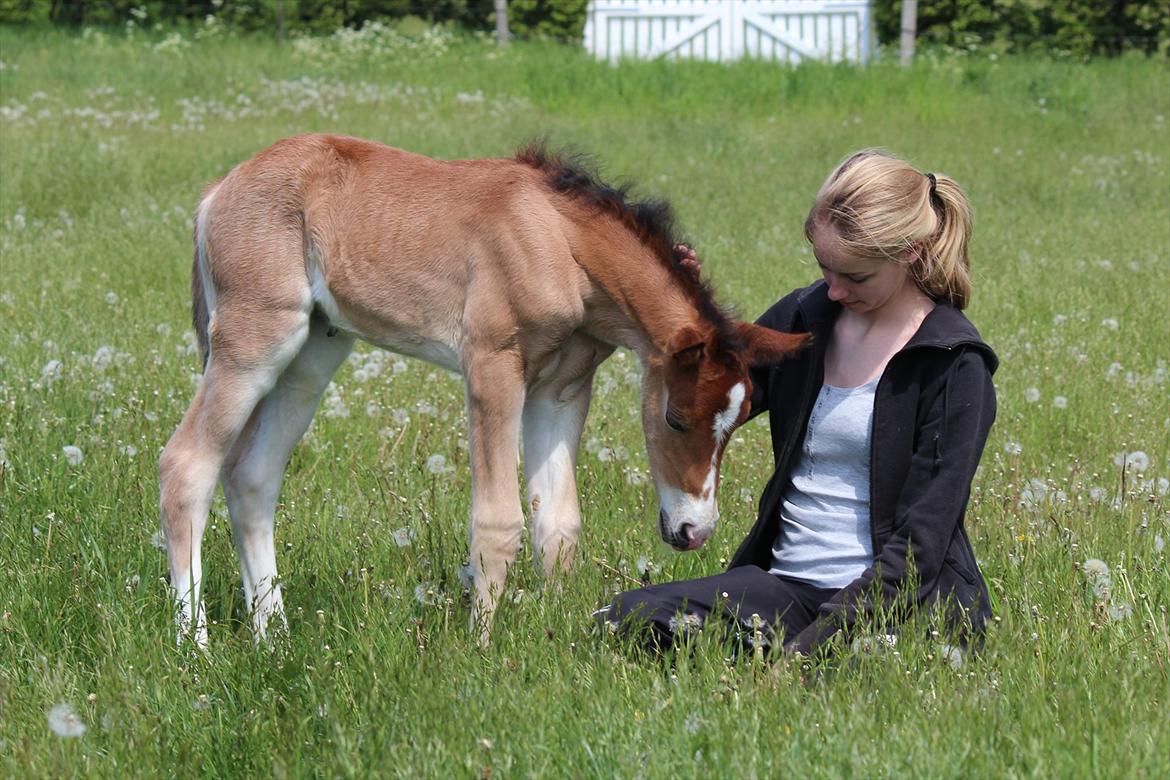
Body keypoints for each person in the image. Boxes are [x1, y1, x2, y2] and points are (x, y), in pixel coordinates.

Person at [598, 149, 998, 658]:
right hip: (784, 588)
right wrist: (682, 298)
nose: (833, 290)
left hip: (897, 602)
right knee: (624, 621)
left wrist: (817, 645)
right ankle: (772, 648)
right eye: (825, 269)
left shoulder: (955, 364)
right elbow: (716, 394)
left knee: (857, 663)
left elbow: (924, 540)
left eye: (855, 277)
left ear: (910, 255)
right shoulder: (807, 316)